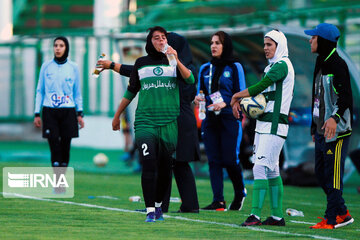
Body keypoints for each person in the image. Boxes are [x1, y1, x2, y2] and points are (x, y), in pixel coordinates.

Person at [98, 32, 200, 213]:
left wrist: (113, 65)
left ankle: (176, 205)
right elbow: (138, 70)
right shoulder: (164, 65)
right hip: (178, 117)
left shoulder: (179, 66)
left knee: (175, 163)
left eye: (166, 40)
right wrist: (112, 65)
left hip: (177, 118)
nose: (162, 43)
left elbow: (187, 81)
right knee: (172, 163)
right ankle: (174, 205)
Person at [231, 29, 294, 226]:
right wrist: (244, 105)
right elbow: (263, 97)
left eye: (269, 44)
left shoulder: (282, 65)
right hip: (264, 124)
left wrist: (236, 97)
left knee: (259, 167)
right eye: (264, 44)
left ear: (279, 45)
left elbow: (259, 87)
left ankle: (255, 215)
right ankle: (277, 216)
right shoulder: (273, 66)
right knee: (272, 170)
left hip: (274, 126)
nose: (265, 48)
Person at [304, 23, 354, 229]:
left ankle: (332, 219)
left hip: (337, 130)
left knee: (333, 176)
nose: (310, 40)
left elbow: (346, 98)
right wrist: (314, 126)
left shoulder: (337, 64)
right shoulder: (321, 61)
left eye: (313, 37)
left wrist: (334, 118)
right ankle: (343, 213)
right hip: (322, 130)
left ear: (323, 40)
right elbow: (317, 97)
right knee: (320, 173)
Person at [195, 31, 247, 211]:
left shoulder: (235, 67)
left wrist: (225, 103)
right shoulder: (204, 69)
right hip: (210, 119)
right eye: (211, 43)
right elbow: (200, 92)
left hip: (229, 118)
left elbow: (242, 92)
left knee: (230, 160)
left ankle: (240, 192)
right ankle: (219, 201)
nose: (213, 46)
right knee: (213, 160)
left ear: (226, 46)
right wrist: (199, 99)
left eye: (218, 43)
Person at [34, 36, 84, 192]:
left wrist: (79, 113)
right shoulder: (46, 66)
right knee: (54, 144)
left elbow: (77, 92)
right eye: (55, 45)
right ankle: (58, 183)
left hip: (68, 110)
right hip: (49, 111)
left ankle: (62, 180)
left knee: (65, 146)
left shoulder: (73, 67)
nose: (58, 48)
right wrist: (37, 113)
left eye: (61, 45)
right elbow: (40, 90)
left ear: (66, 48)